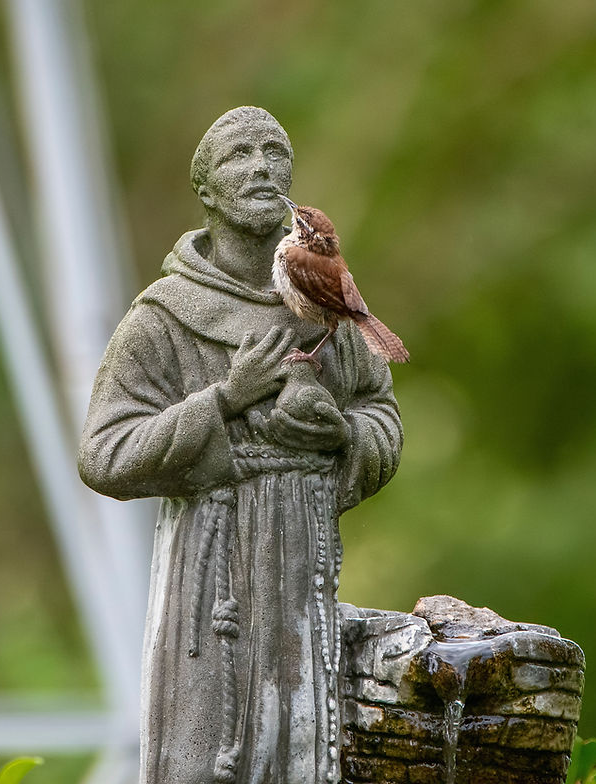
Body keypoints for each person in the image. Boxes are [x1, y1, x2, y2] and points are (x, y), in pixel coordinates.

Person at [78, 106, 403, 784]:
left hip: (303, 577)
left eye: (274, 152)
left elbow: (381, 416)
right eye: (238, 155)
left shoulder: (330, 301)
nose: (261, 167)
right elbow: (104, 453)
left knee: (306, 760)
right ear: (205, 189)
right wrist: (225, 399)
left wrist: (344, 436)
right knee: (204, 761)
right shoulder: (164, 316)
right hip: (208, 580)